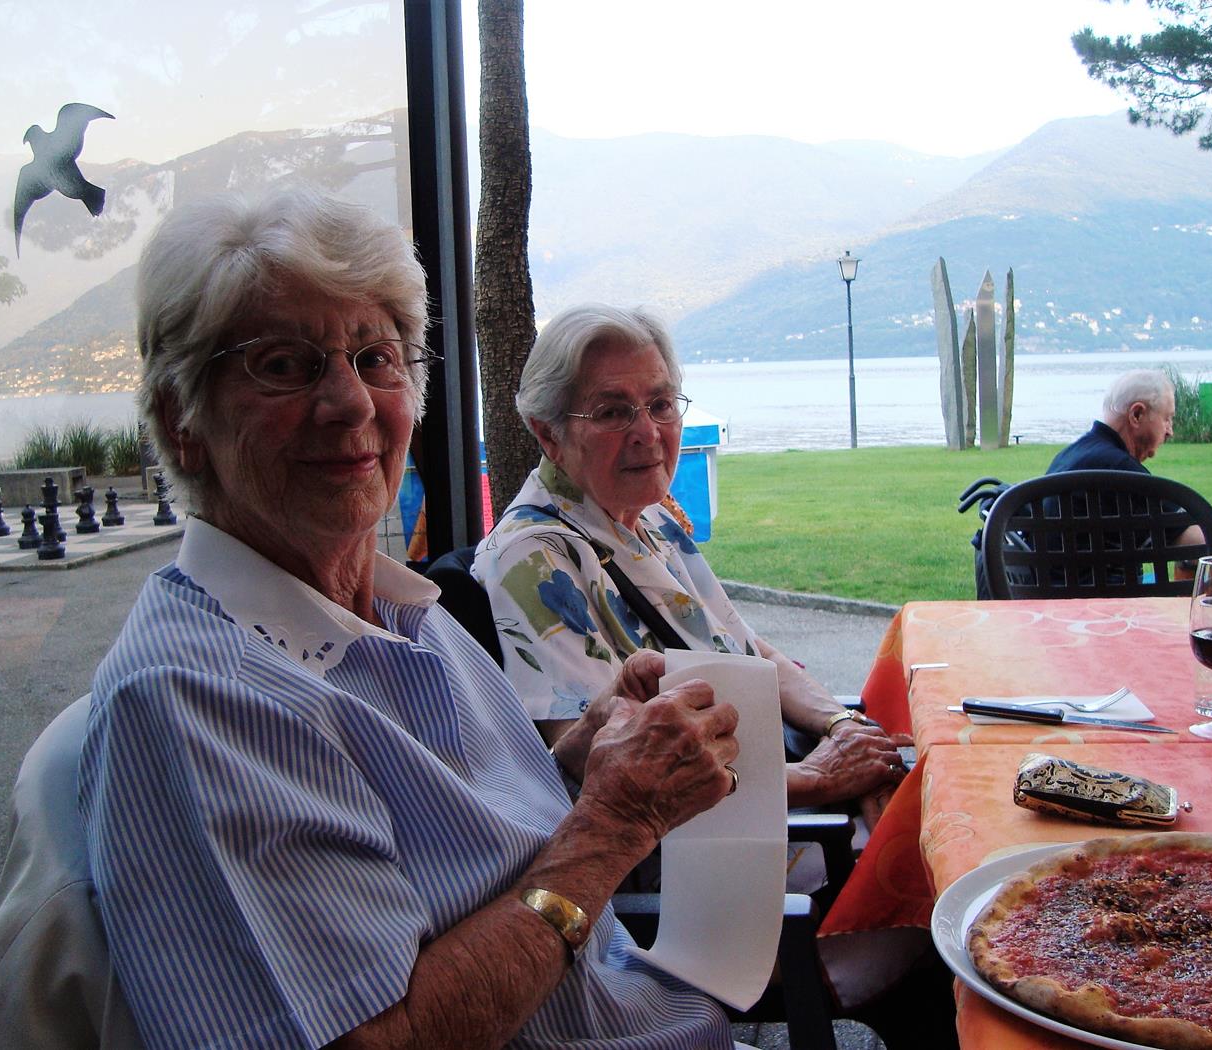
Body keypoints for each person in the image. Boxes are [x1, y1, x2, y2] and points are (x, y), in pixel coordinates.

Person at [80, 187, 748, 1049]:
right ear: (182, 422)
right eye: (283, 364)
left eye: (376, 358)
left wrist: (583, 763)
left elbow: (468, 852)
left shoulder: (407, 613)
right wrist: (613, 823)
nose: (351, 403)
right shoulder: (198, 698)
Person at [472, 304, 910, 822]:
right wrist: (818, 779)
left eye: (660, 404)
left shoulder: (650, 519)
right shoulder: (532, 559)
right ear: (549, 434)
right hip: (710, 839)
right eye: (612, 412)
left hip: (771, 780)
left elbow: (750, 649)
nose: (648, 432)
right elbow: (601, 770)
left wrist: (843, 727)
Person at [1049, 369, 1212, 559]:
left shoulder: (1071, 457)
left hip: (1050, 599)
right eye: (1167, 419)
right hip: (1111, 600)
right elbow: (1195, 543)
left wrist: (1210, 519)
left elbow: (1169, 527)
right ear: (1137, 415)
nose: (1170, 431)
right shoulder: (1120, 472)